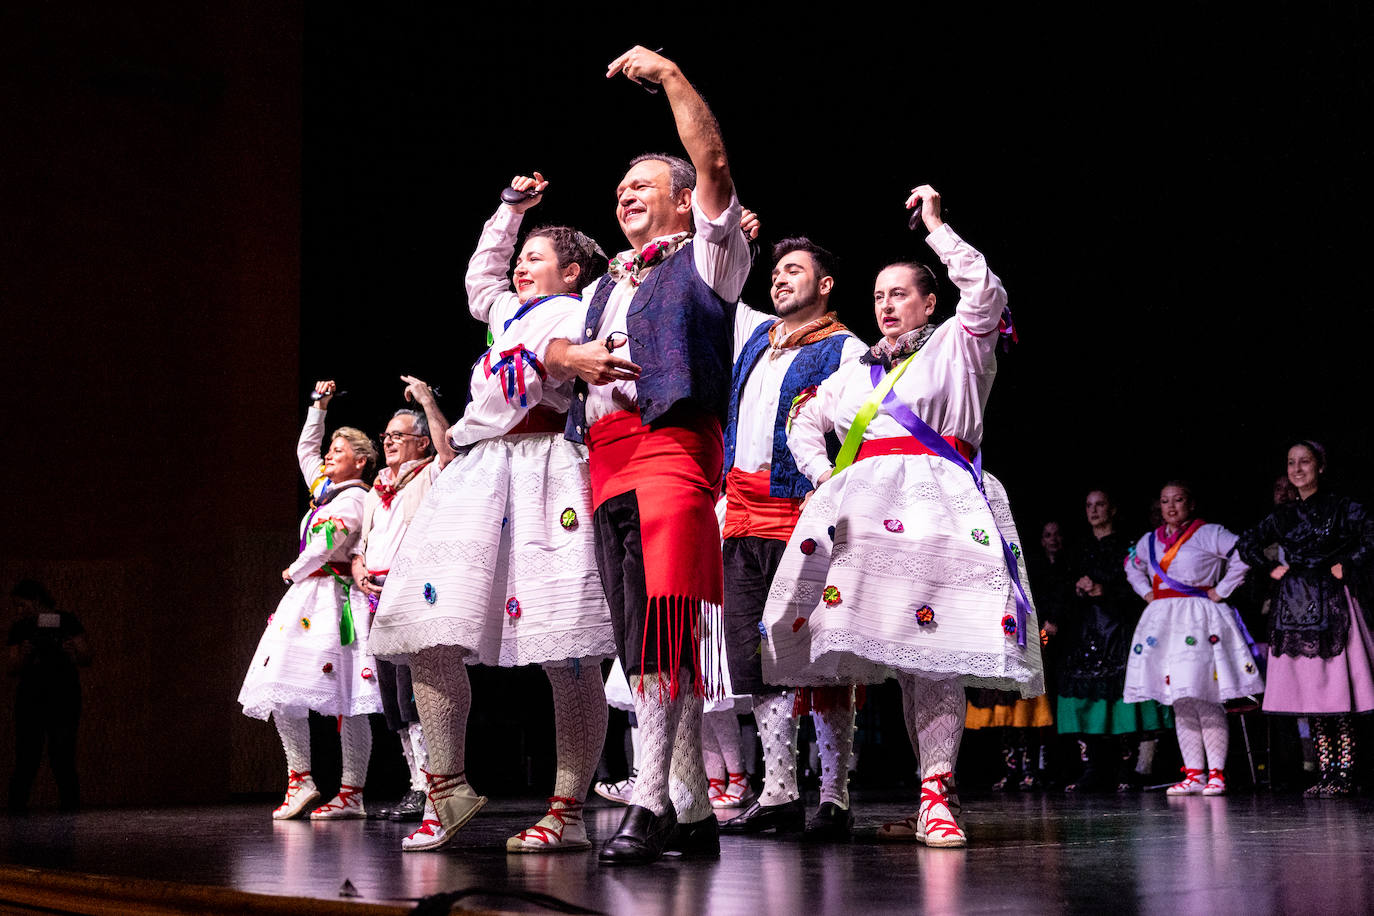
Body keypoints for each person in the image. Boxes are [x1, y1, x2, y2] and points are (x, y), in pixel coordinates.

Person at [760, 185, 1041, 848]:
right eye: (879, 295)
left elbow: (986, 292)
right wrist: (826, 478)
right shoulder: (854, 369)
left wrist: (937, 230)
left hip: (941, 509)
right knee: (896, 659)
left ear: (929, 301)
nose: (886, 305)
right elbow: (805, 419)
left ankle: (938, 794)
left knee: (936, 655)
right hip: (870, 518)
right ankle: (906, 793)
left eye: (900, 294)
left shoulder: (957, 346)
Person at [542, 47, 754, 865]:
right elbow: (546, 364)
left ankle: (653, 797)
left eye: (644, 184)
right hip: (605, 456)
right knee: (639, 636)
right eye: (620, 185)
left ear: (681, 200)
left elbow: (715, 160)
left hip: (671, 445)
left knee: (671, 621)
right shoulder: (604, 285)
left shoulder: (711, 255)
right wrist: (569, 356)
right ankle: (693, 810)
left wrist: (669, 78)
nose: (626, 192)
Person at [368, 172, 616, 852]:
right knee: (427, 627)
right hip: (477, 473)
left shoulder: (589, 307)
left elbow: (577, 354)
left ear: (571, 270)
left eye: (536, 255)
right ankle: (445, 788)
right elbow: (482, 278)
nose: (521, 266)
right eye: (522, 257)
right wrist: (510, 212)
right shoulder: (506, 310)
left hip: (547, 472)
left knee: (567, 649)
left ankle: (565, 809)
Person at [717, 237, 867, 841]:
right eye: (775, 271)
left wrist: (835, 492)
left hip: (803, 513)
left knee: (823, 659)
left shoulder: (847, 350)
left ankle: (834, 797)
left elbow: (859, 432)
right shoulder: (755, 338)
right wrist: (737, 242)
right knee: (753, 656)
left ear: (825, 285)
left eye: (794, 270)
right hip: (742, 514)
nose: (779, 279)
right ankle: (777, 792)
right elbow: (723, 277)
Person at [238, 381, 383, 819]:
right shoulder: (326, 491)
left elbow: (326, 540)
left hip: (334, 599)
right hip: (307, 602)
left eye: (338, 451)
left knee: (349, 699)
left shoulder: (357, 497)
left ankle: (351, 792)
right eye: (330, 449)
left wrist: (294, 569)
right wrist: (318, 408)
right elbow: (305, 450)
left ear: (360, 460)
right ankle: (300, 779)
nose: (328, 455)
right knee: (284, 688)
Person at [1237, 440, 1374, 796]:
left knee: (1338, 691)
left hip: (1331, 602)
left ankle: (1344, 772)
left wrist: (1351, 563)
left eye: (1305, 462)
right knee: (1313, 694)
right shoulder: (1283, 515)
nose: (1297, 469)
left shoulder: (1342, 507)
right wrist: (1273, 568)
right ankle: (1325, 772)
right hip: (1296, 607)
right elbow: (1248, 543)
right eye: (1291, 463)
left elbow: (1371, 534)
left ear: (1321, 466)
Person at [350, 379, 452, 821]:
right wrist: (357, 568)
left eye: (398, 436)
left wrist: (428, 401)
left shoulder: (430, 473)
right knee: (393, 701)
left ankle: (435, 786)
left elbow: (448, 454)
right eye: (386, 436)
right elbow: (361, 546)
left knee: (416, 695)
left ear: (421, 443)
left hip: (414, 597)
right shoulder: (377, 489)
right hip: (378, 602)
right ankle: (416, 782)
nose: (388, 442)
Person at [1123, 482, 1264, 796]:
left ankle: (1217, 773)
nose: (1171, 507)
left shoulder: (1209, 533)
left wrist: (1222, 589)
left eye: (1178, 500)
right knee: (1181, 699)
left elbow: (1245, 553)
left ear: (1192, 503)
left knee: (1204, 694)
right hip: (1164, 622)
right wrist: (1147, 592)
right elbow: (1131, 566)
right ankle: (1194, 774)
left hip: (1199, 618)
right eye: (1165, 501)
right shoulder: (1148, 541)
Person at [1055, 489, 1170, 791]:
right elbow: (1062, 588)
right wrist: (1078, 589)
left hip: (1119, 630)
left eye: (1100, 504)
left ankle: (1125, 767)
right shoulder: (1078, 548)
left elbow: (1139, 589)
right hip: (1085, 633)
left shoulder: (1128, 546)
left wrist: (1104, 590)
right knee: (1086, 699)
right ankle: (1093, 767)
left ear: (1113, 509)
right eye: (1088, 505)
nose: (1093, 511)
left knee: (1122, 698)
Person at [7, 580, 89, 812]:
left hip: (64, 697)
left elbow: (87, 656)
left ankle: (71, 811)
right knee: (26, 756)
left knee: (62, 755)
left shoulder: (67, 621)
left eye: (22, 605)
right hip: (31, 698)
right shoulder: (20, 628)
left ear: (36, 600)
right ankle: (16, 811)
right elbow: (12, 667)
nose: (18, 611)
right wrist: (24, 655)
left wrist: (72, 650)